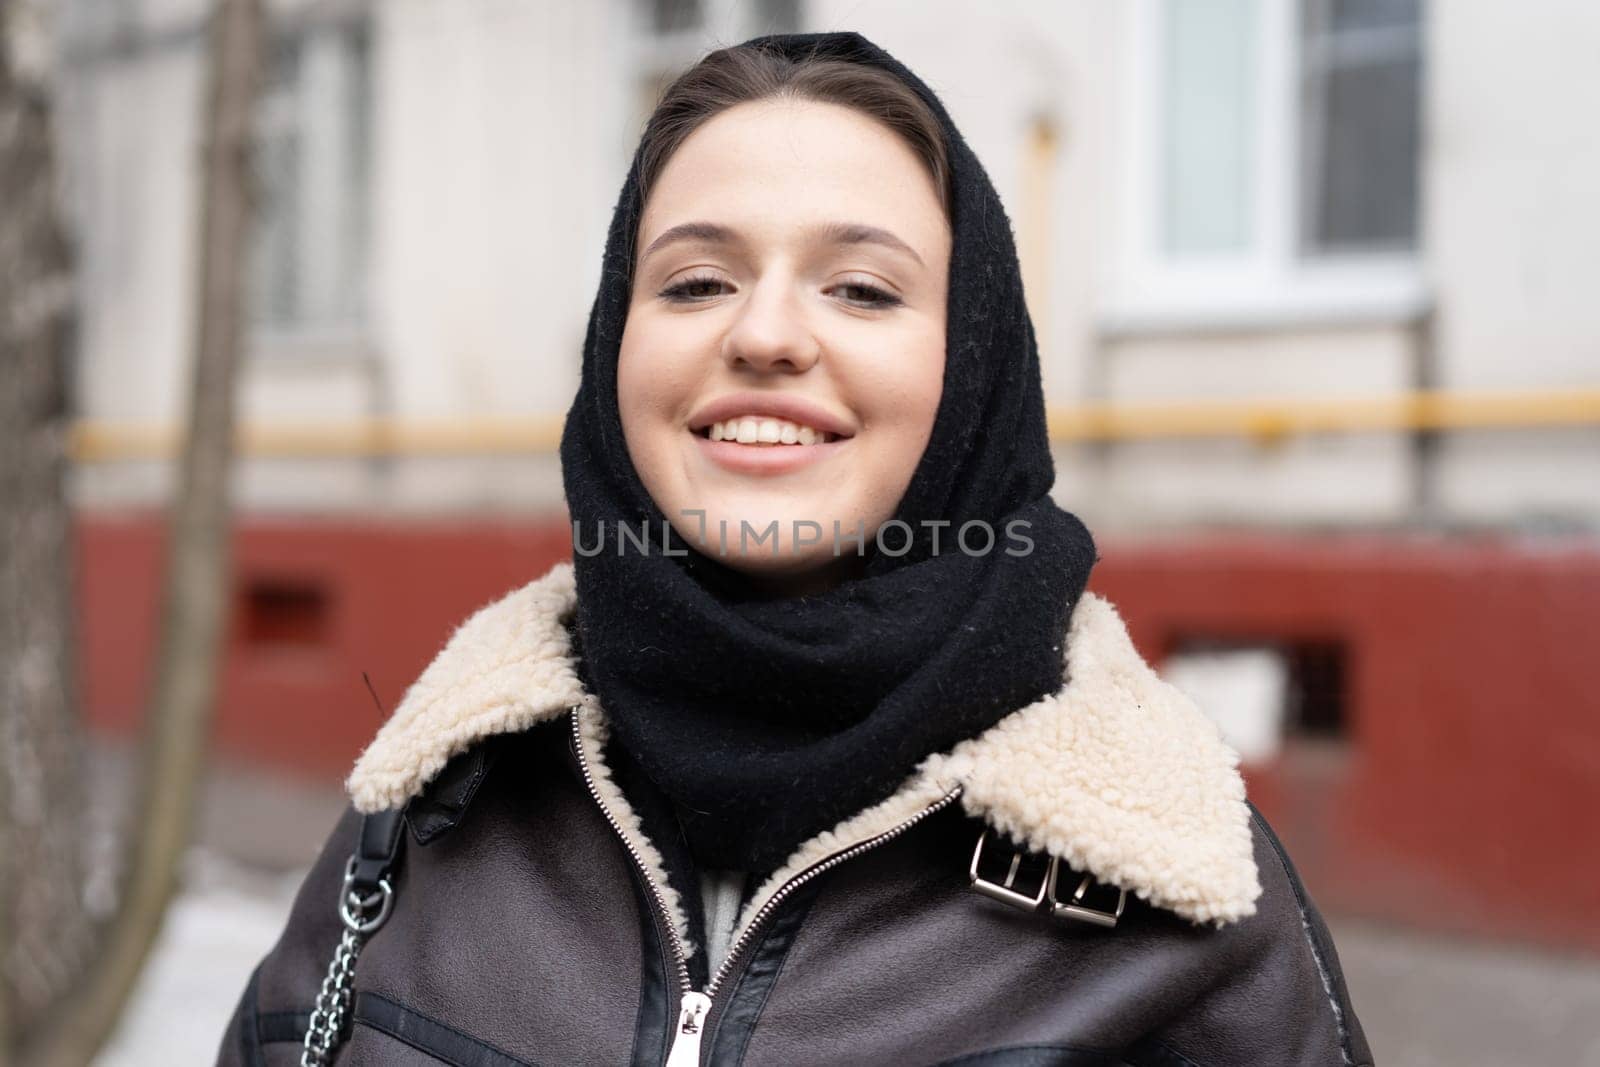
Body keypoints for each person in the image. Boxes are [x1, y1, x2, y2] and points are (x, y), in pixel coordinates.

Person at [219, 31, 1370, 1067]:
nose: (764, 334)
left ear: (973, 365)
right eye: (697, 280)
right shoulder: (432, 805)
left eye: (861, 288)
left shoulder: (1172, 877)